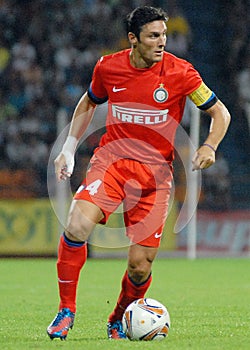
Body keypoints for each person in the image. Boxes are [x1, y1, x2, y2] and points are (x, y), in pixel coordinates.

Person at [47, 6, 231, 340]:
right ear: (133, 39)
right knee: (76, 224)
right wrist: (69, 148)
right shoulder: (109, 67)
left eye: (164, 35)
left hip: (155, 178)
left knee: (140, 264)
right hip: (112, 164)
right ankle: (65, 310)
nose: (162, 42)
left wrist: (209, 146)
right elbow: (89, 102)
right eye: (153, 36)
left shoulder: (181, 72)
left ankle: (118, 318)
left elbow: (220, 112)